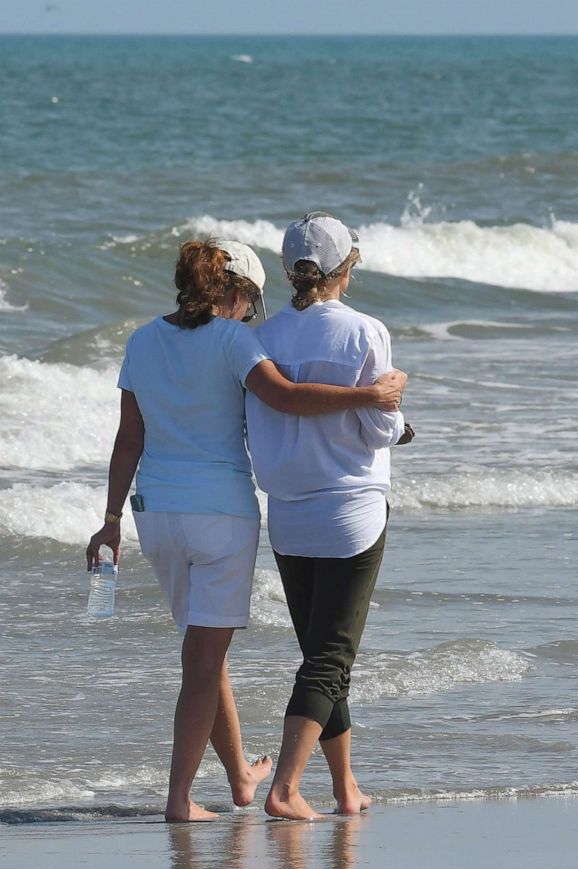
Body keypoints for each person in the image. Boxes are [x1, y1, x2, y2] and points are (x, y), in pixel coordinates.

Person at [85, 238, 405, 822]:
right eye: (251, 302)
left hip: (154, 515)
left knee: (206, 652)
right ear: (233, 292)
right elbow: (285, 398)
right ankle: (180, 800)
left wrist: (108, 523)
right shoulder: (235, 341)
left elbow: (128, 438)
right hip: (220, 516)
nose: (251, 314)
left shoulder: (141, 340)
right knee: (204, 660)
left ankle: (239, 777)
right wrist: (369, 394)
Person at [245, 212, 408, 820]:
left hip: (286, 513)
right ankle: (285, 790)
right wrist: (396, 401)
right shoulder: (365, 331)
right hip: (350, 510)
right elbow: (378, 429)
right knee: (329, 659)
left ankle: (345, 788)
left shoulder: (259, 338)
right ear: (347, 267)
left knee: (321, 653)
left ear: (290, 271)